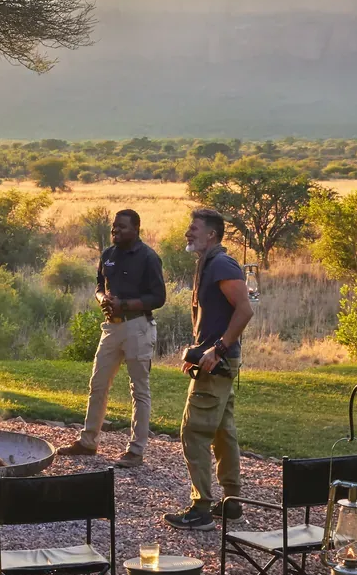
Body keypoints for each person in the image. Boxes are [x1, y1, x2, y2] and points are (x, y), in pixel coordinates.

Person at [166, 207, 254, 528]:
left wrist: (217, 349)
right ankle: (232, 503)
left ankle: (201, 508)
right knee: (221, 431)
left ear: (212, 234)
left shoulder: (221, 264)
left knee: (194, 432)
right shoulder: (209, 263)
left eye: (194, 228)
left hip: (216, 364)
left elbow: (244, 311)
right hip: (213, 361)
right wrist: (197, 351)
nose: (188, 232)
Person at [60, 209, 165, 467]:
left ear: (136, 229)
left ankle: (136, 450)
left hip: (137, 327)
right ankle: (88, 442)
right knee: (98, 384)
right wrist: (102, 299)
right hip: (111, 327)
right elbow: (98, 286)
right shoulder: (108, 255)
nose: (116, 231)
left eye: (122, 227)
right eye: (114, 227)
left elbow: (158, 297)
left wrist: (126, 305)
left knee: (139, 390)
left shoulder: (148, 257)